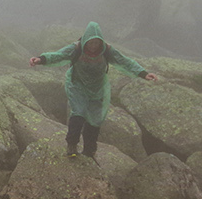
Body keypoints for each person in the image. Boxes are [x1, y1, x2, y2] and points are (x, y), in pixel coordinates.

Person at [29, 21, 159, 158]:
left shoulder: (107, 50)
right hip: (77, 85)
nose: (93, 46)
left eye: (96, 43)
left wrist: (143, 73)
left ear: (100, 42)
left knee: (94, 121)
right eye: (90, 43)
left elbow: (124, 61)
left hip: (97, 88)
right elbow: (58, 55)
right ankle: (71, 145)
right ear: (85, 40)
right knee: (79, 112)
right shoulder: (76, 48)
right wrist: (40, 59)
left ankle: (89, 151)